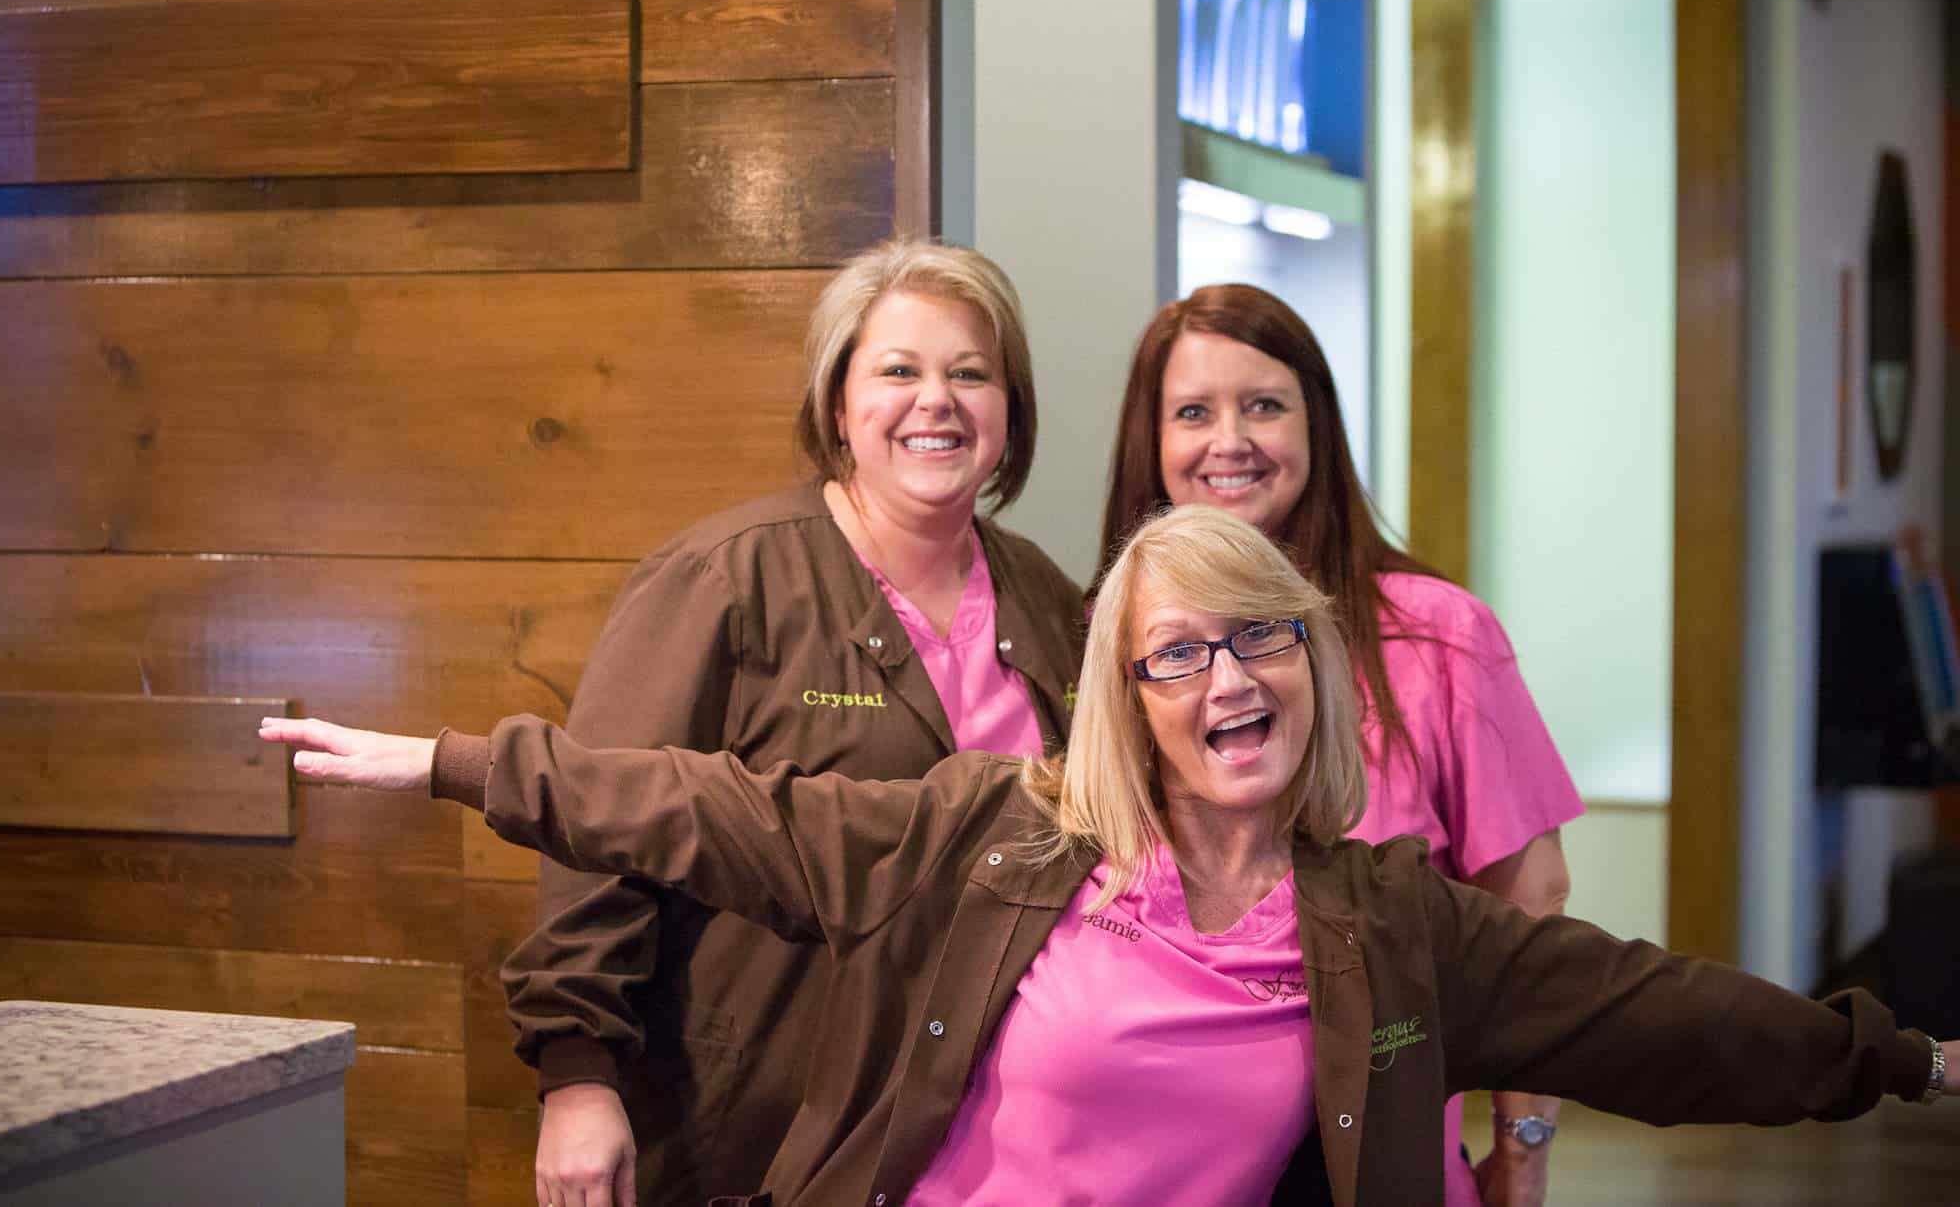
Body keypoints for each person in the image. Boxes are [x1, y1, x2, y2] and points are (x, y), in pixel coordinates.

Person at [265, 506, 1953, 1207]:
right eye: (1177, 654)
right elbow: (722, 811)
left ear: (1310, 662)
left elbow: (1663, 1018)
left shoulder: (1390, 921)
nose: (1227, 680)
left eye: (1261, 637)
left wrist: (1906, 1061)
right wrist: (457, 764)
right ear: (1127, 700)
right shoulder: (998, 833)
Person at [502, 238, 1086, 1207]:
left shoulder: (1051, 601)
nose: (935, 400)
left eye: (969, 374)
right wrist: (576, 1073)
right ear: (837, 404)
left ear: (1008, 409)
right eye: (897, 371)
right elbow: (599, 822)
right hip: (757, 1130)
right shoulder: (725, 581)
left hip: (987, 1139)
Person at [1099, 283, 1582, 1206]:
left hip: (1381, 1163)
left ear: (1316, 424)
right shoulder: (1107, 642)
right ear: (1150, 442)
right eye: (1193, 412)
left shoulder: (1439, 636)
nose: (1229, 440)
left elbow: (1532, 903)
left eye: (1264, 405)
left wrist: (1523, 1149)